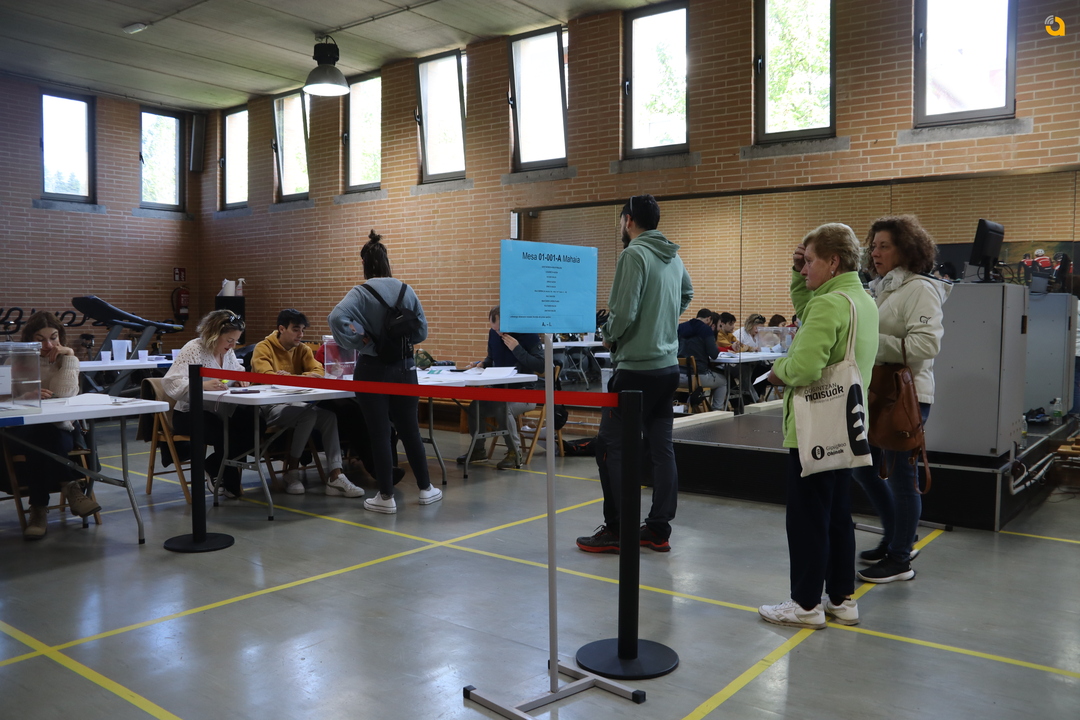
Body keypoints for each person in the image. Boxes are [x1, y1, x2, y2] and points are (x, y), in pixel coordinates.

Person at [757, 223, 878, 629]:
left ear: (833, 261)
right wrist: (798, 275)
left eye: (809, 262)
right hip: (848, 425)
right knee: (837, 515)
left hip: (814, 430)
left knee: (807, 518)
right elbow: (810, 310)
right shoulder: (861, 301)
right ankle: (842, 599)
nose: (804, 268)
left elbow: (805, 366)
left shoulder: (829, 305)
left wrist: (778, 370)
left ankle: (805, 604)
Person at [576, 194, 693, 554]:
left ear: (628, 220)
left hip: (636, 371)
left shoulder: (634, 255)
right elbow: (687, 294)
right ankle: (658, 529)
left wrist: (609, 334)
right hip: (668, 369)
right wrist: (661, 320)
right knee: (661, 450)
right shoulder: (673, 256)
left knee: (609, 448)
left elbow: (623, 313)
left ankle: (618, 528)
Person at [854, 215, 951, 583]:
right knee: (863, 469)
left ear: (906, 250)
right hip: (879, 391)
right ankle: (897, 537)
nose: (875, 253)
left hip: (907, 395)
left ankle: (899, 559)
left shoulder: (920, 289)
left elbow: (926, 346)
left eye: (884, 246)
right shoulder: (884, 288)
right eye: (873, 246)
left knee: (902, 479)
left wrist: (869, 342)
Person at [329, 230, 441, 514]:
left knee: (379, 433)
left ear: (364, 264)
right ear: (387, 261)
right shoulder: (406, 290)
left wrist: (361, 341)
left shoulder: (360, 292)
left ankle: (386, 496)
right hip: (405, 368)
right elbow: (422, 332)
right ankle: (426, 489)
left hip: (372, 369)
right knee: (410, 430)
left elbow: (336, 317)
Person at [251, 309, 364, 498]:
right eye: (296, 330)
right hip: (269, 406)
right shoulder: (263, 348)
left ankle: (335, 475)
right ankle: (292, 471)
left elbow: (319, 372)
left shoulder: (302, 349)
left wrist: (291, 378)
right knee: (308, 415)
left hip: (296, 403)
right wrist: (302, 377)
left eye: (302, 330)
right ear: (281, 329)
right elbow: (268, 377)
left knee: (329, 417)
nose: (301, 335)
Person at [7, 312, 99, 539]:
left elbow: (63, 395)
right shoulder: (15, 360)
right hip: (22, 428)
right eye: (40, 339)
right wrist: (25, 397)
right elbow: (2, 399)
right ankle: (71, 485)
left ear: (61, 337)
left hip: (60, 427)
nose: (48, 345)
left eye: (53, 337)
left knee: (45, 434)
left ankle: (38, 509)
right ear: (29, 339)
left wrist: (69, 357)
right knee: (42, 433)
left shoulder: (67, 359)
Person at [164, 310, 259, 498]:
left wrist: (239, 380)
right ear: (214, 335)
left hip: (220, 410)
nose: (233, 346)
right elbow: (171, 382)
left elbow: (236, 372)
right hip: (190, 413)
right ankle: (226, 479)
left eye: (236, 341)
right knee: (225, 432)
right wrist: (201, 384)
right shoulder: (194, 349)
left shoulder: (228, 352)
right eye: (229, 340)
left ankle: (213, 464)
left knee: (256, 424)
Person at [458, 305, 544, 469]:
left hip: (524, 391)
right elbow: (492, 359)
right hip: (499, 390)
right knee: (475, 407)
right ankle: (478, 451)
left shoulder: (528, 334)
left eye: (500, 329)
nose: (498, 333)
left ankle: (514, 453)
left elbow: (540, 365)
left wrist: (517, 349)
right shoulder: (494, 334)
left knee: (502, 408)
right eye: (494, 329)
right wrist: (482, 364)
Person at [677, 308, 722, 406]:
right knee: (723, 381)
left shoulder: (680, 327)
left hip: (678, 376)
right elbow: (714, 354)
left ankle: (682, 407)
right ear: (709, 319)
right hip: (696, 376)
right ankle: (717, 410)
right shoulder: (706, 330)